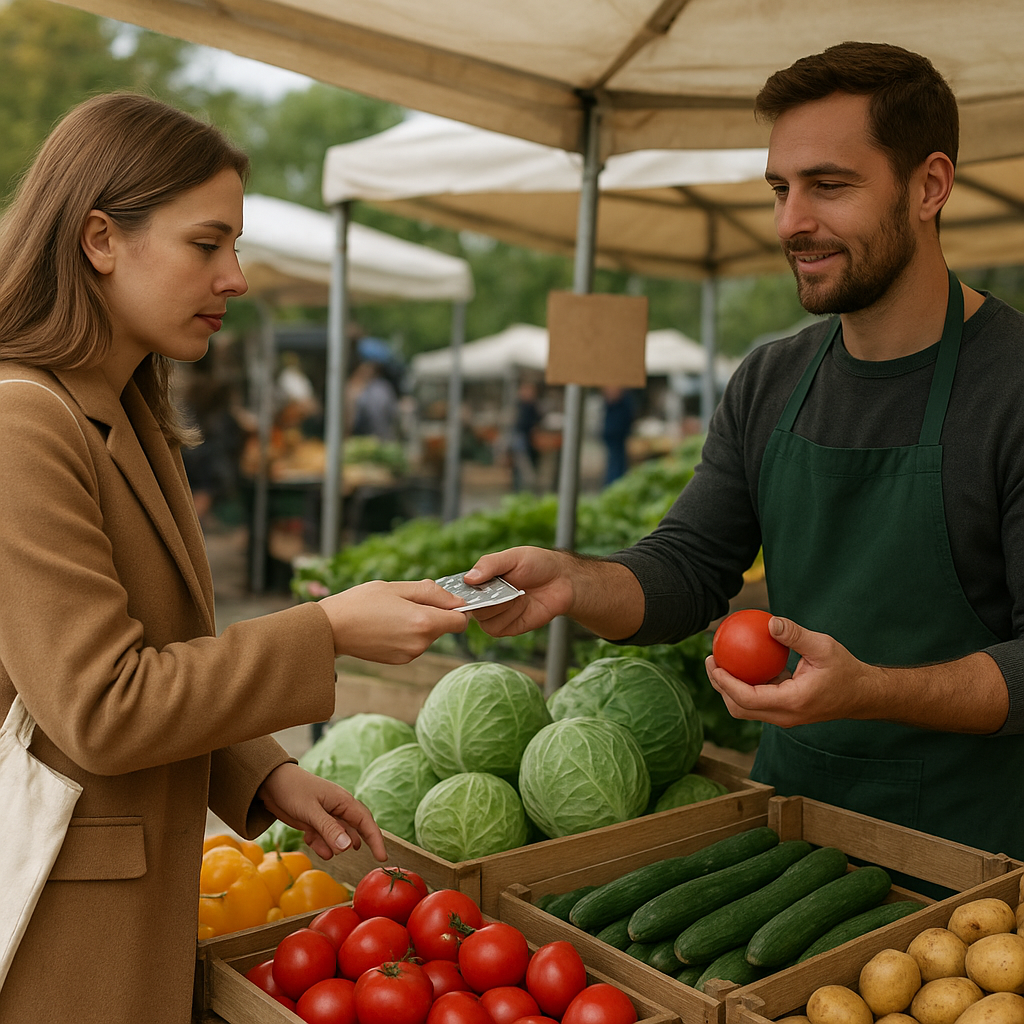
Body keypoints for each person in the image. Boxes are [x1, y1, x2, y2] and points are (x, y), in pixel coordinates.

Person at [464, 41, 1024, 866]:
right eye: (780, 189)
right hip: (788, 838)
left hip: (969, 863)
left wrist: (870, 689)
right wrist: (576, 581)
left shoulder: (1010, 383)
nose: (792, 221)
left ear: (929, 187)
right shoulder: (772, 377)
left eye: (828, 186)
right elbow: (691, 567)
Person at [0, 93, 468, 1024]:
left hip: (129, 903)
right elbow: (102, 704)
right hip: (64, 925)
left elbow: (161, 646)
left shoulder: (125, 412)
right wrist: (326, 628)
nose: (237, 278)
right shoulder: (22, 423)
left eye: (236, 248)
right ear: (100, 239)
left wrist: (259, 773)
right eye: (206, 245)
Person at [600, 386, 634, 485]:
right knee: (615, 463)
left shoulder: (624, 400)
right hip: (614, 433)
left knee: (617, 462)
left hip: (617, 432)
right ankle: (613, 484)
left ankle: (615, 484)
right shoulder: (619, 400)